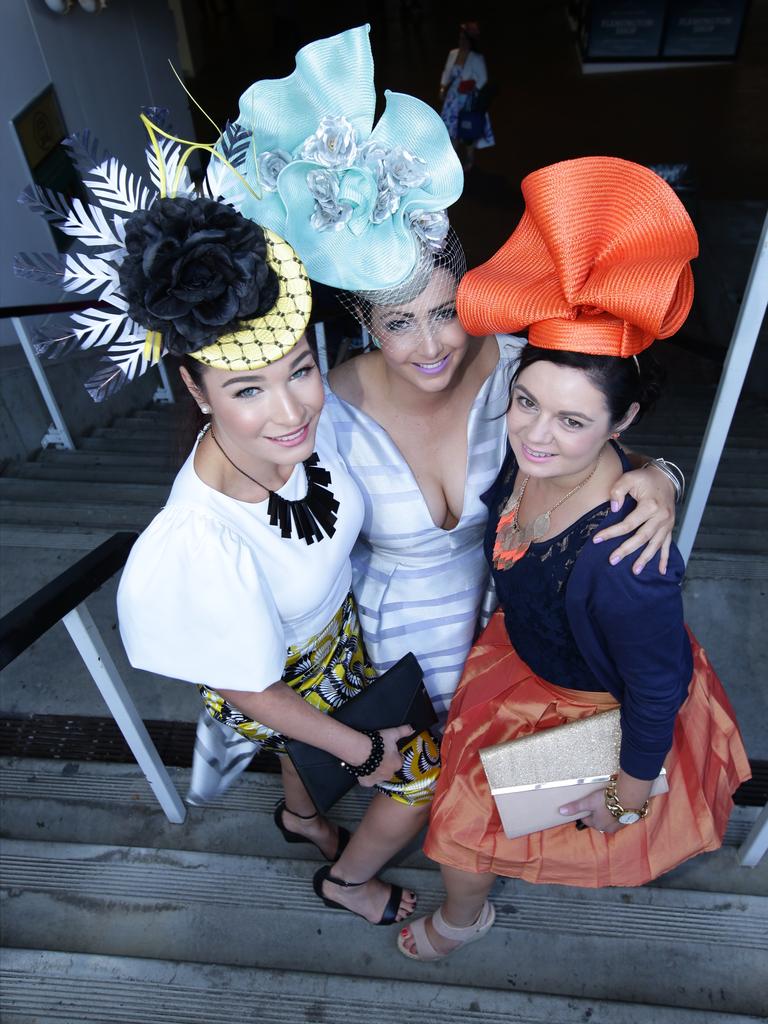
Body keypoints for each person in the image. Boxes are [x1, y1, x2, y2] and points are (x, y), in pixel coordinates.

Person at [16, 116, 439, 928]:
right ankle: (346, 882)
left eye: (300, 372)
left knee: (302, 757)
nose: (291, 413)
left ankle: (301, 816)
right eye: (247, 389)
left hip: (333, 637)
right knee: (413, 773)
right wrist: (361, 751)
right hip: (275, 680)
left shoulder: (308, 426)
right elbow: (252, 686)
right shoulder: (200, 543)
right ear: (195, 388)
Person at [227, 26, 681, 737]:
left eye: (446, 311)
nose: (433, 344)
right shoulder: (324, 408)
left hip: (500, 636)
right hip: (385, 651)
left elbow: (586, 428)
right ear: (365, 322)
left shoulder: (512, 368)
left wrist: (658, 477)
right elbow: (250, 520)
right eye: (400, 322)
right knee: (410, 791)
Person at [396, 157, 751, 960]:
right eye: (528, 402)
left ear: (620, 422)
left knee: (458, 823)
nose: (535, 435)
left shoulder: (626, 558)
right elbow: (555, 447)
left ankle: (462, 918)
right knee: (466, 795)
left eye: (572, 422)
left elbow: (658, 686)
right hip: (519, 667)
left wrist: (627, 798)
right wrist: (663, 472)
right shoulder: (534, 459)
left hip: (592, 709)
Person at [439, 21, 495, 171]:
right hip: (452, 101)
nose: (461, 42)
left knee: (467, 132)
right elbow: (446, 72)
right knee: (451, 132)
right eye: (460, 39)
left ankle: (469, 161)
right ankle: (453, 160)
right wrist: (443, 88)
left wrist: (470, 88)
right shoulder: (453, 54)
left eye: (464, 39)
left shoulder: (476, 58)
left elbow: (483, 79)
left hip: (468, 101)